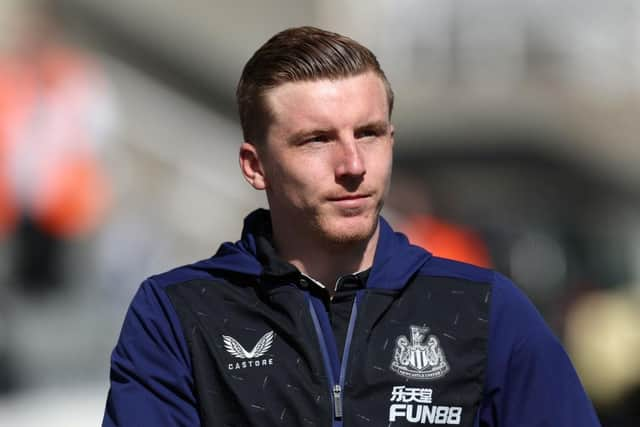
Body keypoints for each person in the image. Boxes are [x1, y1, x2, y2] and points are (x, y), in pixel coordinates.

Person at [103, 26, 600, 426]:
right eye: (317, 140)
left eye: (369, 134)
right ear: (255, 166)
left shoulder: (486, 309)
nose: (353, 164)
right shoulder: (178, 315)